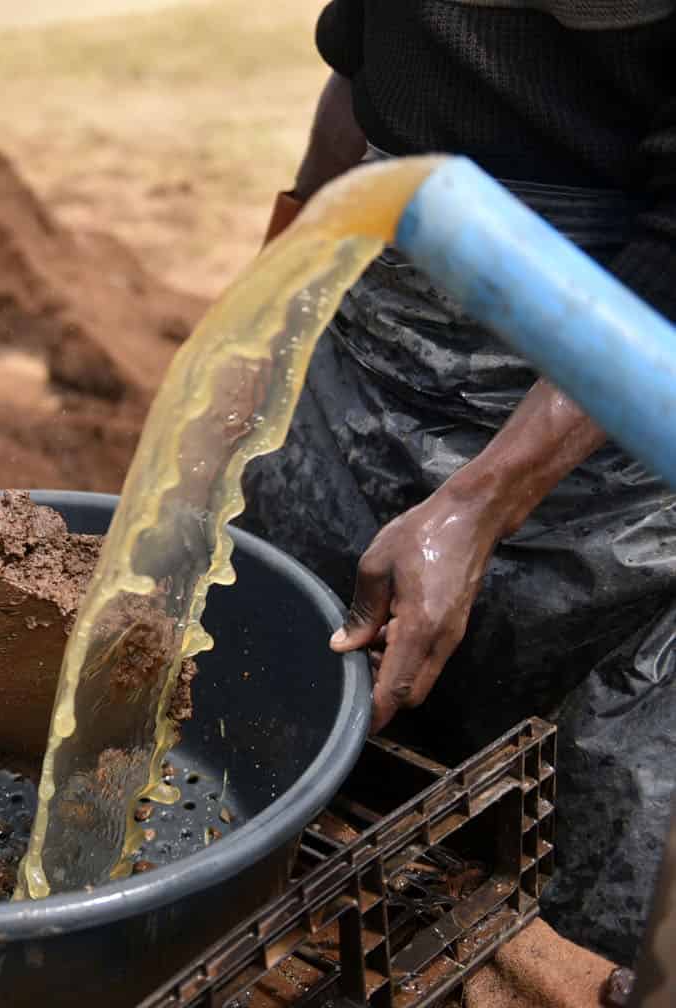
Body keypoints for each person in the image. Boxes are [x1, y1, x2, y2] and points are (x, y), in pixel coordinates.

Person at [243, 0, 676, 968]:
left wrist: (476, 506)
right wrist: (269, 301)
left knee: (601, 815)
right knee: (287, 655)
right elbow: (358, 68)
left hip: (617, 385)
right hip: (381, 328)